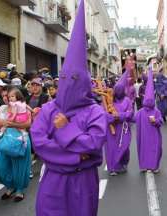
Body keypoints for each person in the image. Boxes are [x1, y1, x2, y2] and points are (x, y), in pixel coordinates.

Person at [30, 1, 106, 215]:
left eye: (73, 78)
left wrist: (65, 129)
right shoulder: (48, 109)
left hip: (83, 182)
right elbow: (39, 141)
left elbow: (94, 143)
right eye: (63, 77)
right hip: (53, 181)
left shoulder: (95, 111)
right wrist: (75, 157)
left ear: (83, 82)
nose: (67, 82)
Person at [0, 86, 32, 202]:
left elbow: (28, 124)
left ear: (16, 96)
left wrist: (12, 124)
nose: (6, 98)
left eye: (9, 95)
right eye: (4, 96)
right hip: (6, 141)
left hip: (20, 140)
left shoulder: (23, 106)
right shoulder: (2, 108)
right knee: (1, 168)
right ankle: (10, 186)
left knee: (19, 168)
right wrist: (5, 122)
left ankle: (19, 190)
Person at [105, 70, 134, 176]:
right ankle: (113, 167)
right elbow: (104, 114)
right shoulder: (109, 100)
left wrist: (120, 116)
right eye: (117, 90)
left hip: (123, 128)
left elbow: (130, 113)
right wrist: (113, 117)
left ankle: (123, 163)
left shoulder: (127, 100)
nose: (119, 91)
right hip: (112, 128)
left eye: (120, 89)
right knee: (111, 148)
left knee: (124, 147)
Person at [135, 66, 162, 173]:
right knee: (146, 149)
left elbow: (160, 121)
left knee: (155, 149)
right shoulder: (141, 112)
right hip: (144, 136)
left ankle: (154, 166)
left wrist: (155, 121)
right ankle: (145, 165)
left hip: (154, 136)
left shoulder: (156, 111)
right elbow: (134, 119)